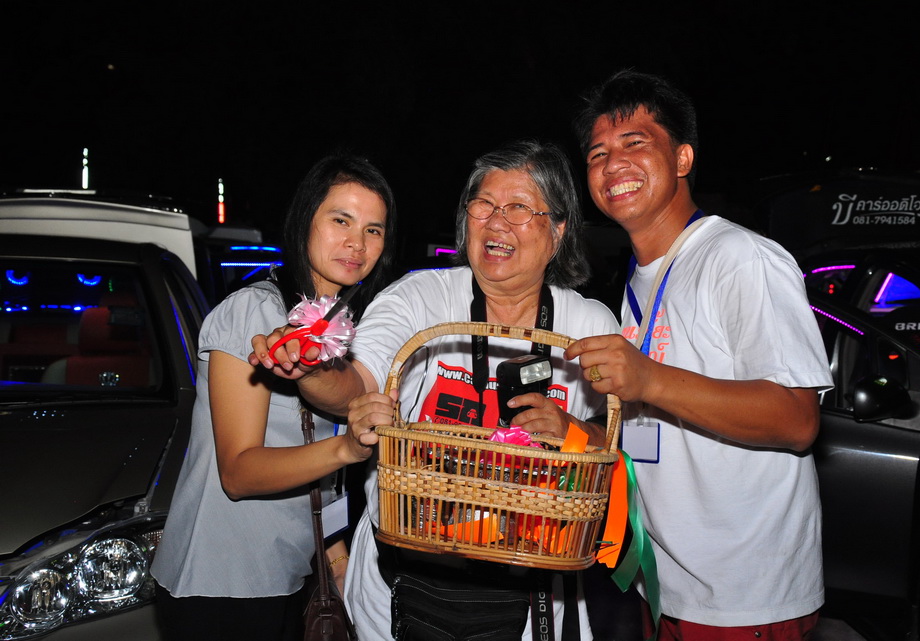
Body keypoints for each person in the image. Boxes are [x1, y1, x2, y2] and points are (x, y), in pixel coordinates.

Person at [251, 140, 620, 640]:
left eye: (518, 207)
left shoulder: (589, 324)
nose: (496, 222)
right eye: (483, 205)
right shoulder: (420, 297)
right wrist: (310, 368)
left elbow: (615, 441)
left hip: (533, 596)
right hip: (398, 589)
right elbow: (358, 385)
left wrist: (572, 430)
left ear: (557, 230)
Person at [564, 69, 834, 639]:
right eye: (597, 154)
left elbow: (797, 419)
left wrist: (649, 379)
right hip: (665, 583)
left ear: (683, 157)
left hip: (744, 597)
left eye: (635, 143)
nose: (613, 165)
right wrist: (572, 431)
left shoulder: (739, 258)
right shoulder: (636, 280)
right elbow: (658, 432)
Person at [150, 153, 397, 641]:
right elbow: (239, 473)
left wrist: (335, 557)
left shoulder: (340, 328)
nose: (357, 242)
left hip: (291, 573)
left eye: (373, 229)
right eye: (341, 220)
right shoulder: (254, 312)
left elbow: (309, 458)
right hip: (220, 584)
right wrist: (348, 448)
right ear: (305, 221)